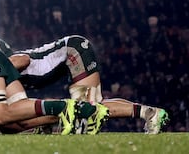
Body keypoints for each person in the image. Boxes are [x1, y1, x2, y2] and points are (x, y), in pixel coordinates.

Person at [11, 35, 169, 134]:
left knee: (89, 108)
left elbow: (22, 59)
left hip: (74, 51)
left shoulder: (4, 66)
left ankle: (152, 114)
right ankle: (149, 112)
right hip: (72, 54)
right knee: (89, 106)